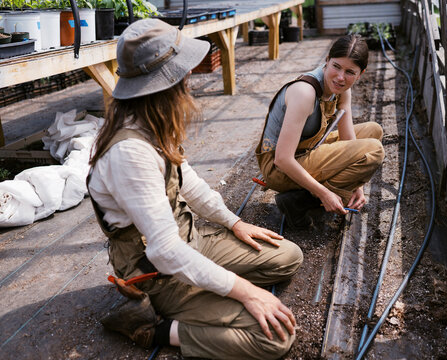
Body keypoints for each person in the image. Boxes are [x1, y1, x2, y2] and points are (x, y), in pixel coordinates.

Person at [87, 19, 303, 360]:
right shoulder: (130, 154)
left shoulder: (152, 124)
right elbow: (165, 252)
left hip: (189, 242)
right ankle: (151, 327)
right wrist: (245, 292)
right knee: (274, 338)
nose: (190, 78)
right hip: (155, 272)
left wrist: (234, 223)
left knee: (288, 257)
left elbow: (190, 184)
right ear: (167, 82)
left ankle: (208, 288)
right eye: (184, 71)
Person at [255, 34, 385, 229]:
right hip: (279, 168)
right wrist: (324, 193)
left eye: (350, 72)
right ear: (327, 61)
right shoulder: (305, 93)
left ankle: (300, 197)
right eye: (336, 66)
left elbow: (348, 140)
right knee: (374, 150)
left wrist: (358, 186)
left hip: (306, 149)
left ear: (361, 74)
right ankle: (303, 202)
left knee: (373, 131)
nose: (340, 77)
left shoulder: (341, 89)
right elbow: (282, 158)